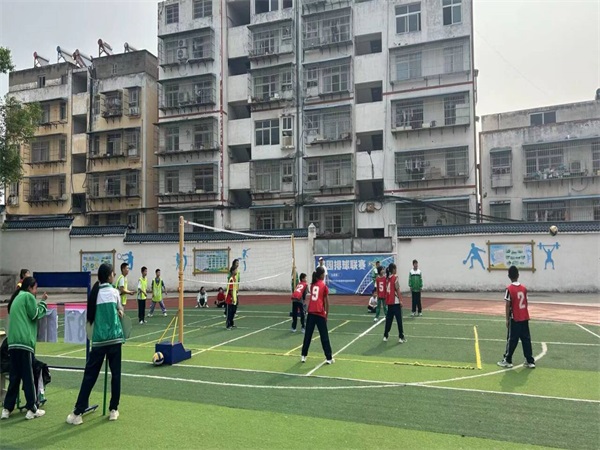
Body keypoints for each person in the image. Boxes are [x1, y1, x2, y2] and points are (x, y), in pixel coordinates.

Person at [67, 263, 125, 425]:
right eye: (113, 274)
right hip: (114, 340)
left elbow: (91, 318)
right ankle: (113, 409)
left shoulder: (94, 294)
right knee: (116, 376)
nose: (114, 276)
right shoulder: (114, 292)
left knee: (89, 376)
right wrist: (119, 312)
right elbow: (120, 311)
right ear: (108, 276)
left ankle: (77, 412)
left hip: (98, 341)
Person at [1, 277, 48, 420]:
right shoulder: (28, 297)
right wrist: (43, 303)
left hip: (13, 343)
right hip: (24, 342)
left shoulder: (16, 298)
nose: (36, 292)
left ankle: (7, 409)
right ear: (30, 288)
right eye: (35, 289)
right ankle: (32, 408)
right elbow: (35, 314)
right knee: (28, 376)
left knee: (15, 376)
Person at [497, 266, 536, 369]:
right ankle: (530, 360)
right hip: (524, 317)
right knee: (526, 339)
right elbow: (526, 302)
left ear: (509, 276)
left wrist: (507, 319)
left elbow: (507, 305)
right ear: (518, 275)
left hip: (515, 318)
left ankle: (508, 359)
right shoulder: (524, 289)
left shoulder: (509, 289)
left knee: (512, 339)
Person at [301, 267, 334, 364]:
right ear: (321, 275)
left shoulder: (312, 285)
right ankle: (329, 358)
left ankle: (303, 355)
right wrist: (326, 315)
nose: (325, 275)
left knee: (308, 335)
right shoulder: (323, 286)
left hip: (311, 312)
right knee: (324, 336)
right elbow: (327, 303)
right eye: (324, 274)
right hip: (319, 313)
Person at [383, 263, 406, 343]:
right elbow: (398, 290)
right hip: (395, 303)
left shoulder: (387, 279)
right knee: (399, 320)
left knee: (389, 320)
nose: (396, 270)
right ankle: (401, 337)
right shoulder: (395, 278)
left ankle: (385, 335)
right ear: (393, 269)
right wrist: (401, 300)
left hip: (389, 303)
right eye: (395, 269)